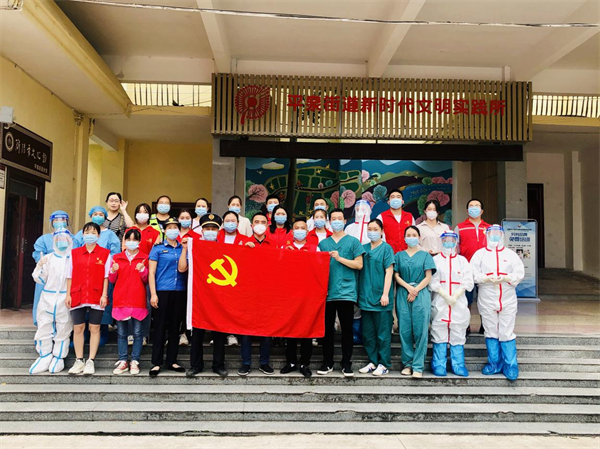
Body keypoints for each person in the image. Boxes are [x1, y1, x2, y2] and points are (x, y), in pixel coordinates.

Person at [471, 225, 525, 381]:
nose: (495, 236)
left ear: (502, 235)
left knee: (506, 331)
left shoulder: (510, 254)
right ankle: (494, 364)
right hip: (487, 296)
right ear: (487, 235)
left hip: (507, 297)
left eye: (498, 233)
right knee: (490, 330)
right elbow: (472, 273)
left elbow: (519, 273)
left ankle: (511, 366)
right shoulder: (480, 254)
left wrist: (507, 278)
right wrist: (485, 278)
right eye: (492, 233)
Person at [317, 208, 365, 377]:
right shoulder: (323, 244)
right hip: (327, 292)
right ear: (329, 222)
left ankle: (346, 363)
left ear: (345, 221)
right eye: (333, 219)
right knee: (327, 330)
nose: (336, 221)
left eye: (340, 218)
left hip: (346, 291)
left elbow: (359, 264)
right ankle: (327, 362)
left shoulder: (353, 242)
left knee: (347, 329)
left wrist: (339, 258)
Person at [181, 214, 228, 378]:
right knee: (197, 333)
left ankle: (218, 365)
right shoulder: (195, 247)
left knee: (219, 332)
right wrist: (185, 249)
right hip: (199, 296)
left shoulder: (225, 248)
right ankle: (195, 365)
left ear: (218, 231)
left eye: (213, 228)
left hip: (218, 296)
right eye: (207, 228)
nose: (210, 231)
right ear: (202, 230)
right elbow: (182, 268)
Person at [66, 222, 111, 375]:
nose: (90, 235)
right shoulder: (74, 253)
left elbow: (106, 277)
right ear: (82, 234)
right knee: (78, 327)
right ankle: (79, 360)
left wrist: (104, 295)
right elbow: (69, 276)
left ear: (98, 235)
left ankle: (91, 360)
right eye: (87, 232)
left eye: (93, 232)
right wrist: (68, 294)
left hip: (96, 294)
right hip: (77, 293)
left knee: (94, 328)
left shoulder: (105, 253)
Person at [73, 206, 120, 346]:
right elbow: (75, 251)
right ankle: (83, 334)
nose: (98, 216)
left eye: (101, 214)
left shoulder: (110, 235)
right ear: (90, 215)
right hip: (83, 275)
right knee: (82, 303)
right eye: (95, 214)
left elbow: (115, 253)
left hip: (102, 273)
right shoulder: (80, 233)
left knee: (101, 304)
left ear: (105, 217)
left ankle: (102, 331)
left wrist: (102, 263)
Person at [429, 231, 474, 377]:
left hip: (458, 301)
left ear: (456, 242)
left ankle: (458, 365)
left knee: (458, 331)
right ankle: (439, 364)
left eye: (452, 240)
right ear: (441, 241)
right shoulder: (436, 260)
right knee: (439, 330)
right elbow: (432, 280)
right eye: (446, 240)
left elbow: (468, 280)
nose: (449, 242)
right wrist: (444, 295)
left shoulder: (462, 261)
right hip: (440, 301)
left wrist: (456, 294)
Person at [394, 226, 436, 378]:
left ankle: (418, 366)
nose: (411, 237)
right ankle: (407, 364)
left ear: (419, 238)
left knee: (420, 330)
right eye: (408, 235)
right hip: (403, 293)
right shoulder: (399, 256)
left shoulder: (425, 256)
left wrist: (415, 290)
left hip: (421, 293)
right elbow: (396, 275)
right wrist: (408, 288)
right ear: (404, 238)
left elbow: (428, 276)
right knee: (405, 329)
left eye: (414, 235)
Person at [30, 230, 73, 374]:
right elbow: (39, 278)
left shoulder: (73, 259)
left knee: (63, 327)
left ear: (69, 241)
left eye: (64, 239)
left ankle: (59, 357)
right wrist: (40, 266)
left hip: (65, 298)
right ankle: (44, 355)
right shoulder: (48, 258)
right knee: (44, 326)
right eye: (58, 239)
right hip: (47, 298)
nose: (61, 242)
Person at [148, 218, 187, 376]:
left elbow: (183, 269)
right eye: (169, 227)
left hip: (179, 291)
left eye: (175, 227)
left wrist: (184, 250)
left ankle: (172, 360)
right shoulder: (157, 248)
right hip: (162, 291)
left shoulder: (183, 248)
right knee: (159, 327)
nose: (172, 230)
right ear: (164, 230)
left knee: (175, 328)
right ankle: (156, 363)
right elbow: (151, 272)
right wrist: (153, 294)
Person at [357, 219, 395, 377]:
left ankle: (384, 364)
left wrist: (385, 293)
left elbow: (389, 271)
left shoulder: (386, 249)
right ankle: (372, 361)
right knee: (368, 333)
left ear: (382, 231)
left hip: (381, 298)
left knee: (383, 334)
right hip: (366, 297)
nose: (372, 232)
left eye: (375, 229)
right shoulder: (363, 249)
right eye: (369, 229)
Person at [109, 229, 149, 375]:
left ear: (139, 241)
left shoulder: (145, 258)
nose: (131, 242)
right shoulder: (117, 258)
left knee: (138, 333)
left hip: (137, 299)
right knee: (121, 333)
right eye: (129, 239)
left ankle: (135, 360)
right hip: (120, 299)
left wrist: (143, 270)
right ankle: (123, 360)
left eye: (135, 239)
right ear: (124, 241)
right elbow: (112, 280)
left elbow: (147, 280)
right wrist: (113, 271)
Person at [280, 218, 317, 378]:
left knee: (307, 330)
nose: (300, 230)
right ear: (292, 231)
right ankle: (291, 362)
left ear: (307, 232)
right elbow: (278, 268)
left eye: (303, 228)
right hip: (289, 294)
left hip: (309, 295)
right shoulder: (285, 247)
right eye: (297, 228)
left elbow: (320, 268)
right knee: (290, 330)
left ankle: (304, 363)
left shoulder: (315, 248)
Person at [123, 203, 160, 347]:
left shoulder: (154, 232)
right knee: (130, 303)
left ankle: (144, 335)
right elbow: (124, 250)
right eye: (139, 211)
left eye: (145, 211)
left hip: (147, 272)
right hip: (130, 272)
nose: (142, 214)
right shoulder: (130, 230)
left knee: (146, 305)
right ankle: (130, 334)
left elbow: (156, 253)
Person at [454, 199, 491, 334]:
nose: (474, 208)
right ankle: (466, 325)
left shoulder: (489, 228)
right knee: (466, 299)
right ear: (467, 210)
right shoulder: (460, 227)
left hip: (485, 270)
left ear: (482, 211)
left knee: (485, 299)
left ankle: (485, 325)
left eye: (477, 206)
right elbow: (455, 248)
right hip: (466, 269)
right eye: (471, 206)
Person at [32, 210, 70, 325]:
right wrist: (43, 262)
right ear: (52, 222)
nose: (60, 221)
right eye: (56, 219)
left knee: (64, 307)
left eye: (63, 219)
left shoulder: (73, 239)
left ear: (67, 222)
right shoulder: (44, 239)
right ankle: (42, 327)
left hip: (66, 275)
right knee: (44, 303)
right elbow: (38, 254)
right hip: (48, 275)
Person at [216, 210, 244, 347]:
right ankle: (218, 334)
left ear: (238, 223)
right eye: (227, 221)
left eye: (233, 221)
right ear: (223, 223)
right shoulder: (215, 237)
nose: (230, 223)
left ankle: (232, 334)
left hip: (238, 279)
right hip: (219, 278)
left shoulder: (245, 239)